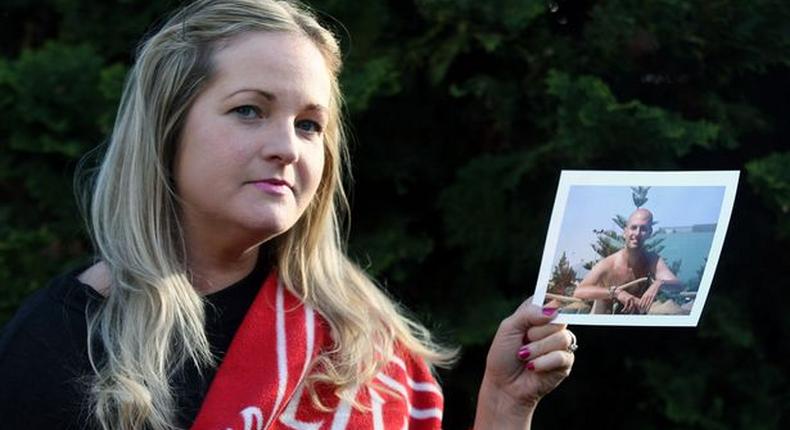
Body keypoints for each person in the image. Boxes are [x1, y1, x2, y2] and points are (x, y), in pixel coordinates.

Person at [0, 1, 576, 429]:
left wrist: (504, 404)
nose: (288, 147)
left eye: (309, 124)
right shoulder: (59, 344)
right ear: (166, 129)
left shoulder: (361, 338)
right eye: (249, 110)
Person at [573, 208, 682, 314]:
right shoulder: (609, 264)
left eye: (643, 229)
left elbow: (678, 286)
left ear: (649, 233)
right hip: (602, 322)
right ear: (625, 232)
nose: (637, 233)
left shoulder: (652, 260)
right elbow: (579, 291)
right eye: (633, 228)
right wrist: (616, 293)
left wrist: (659, 283)